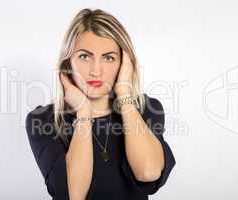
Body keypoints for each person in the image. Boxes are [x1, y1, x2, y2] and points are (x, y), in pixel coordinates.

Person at [25, 8, 176, 200]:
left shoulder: (146, 109)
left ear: (124, 64)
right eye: (84, 56)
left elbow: (148, 172)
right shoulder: (43, 120)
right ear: (67, 63)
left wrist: (124, 94)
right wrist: (83, 112)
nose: (96, 71)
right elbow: (73, 195)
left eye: (109, 57)